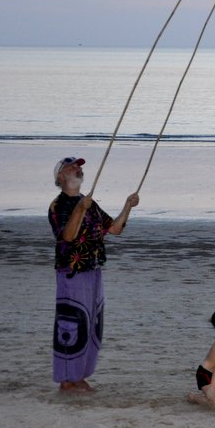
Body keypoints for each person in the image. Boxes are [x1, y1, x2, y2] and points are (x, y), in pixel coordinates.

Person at [48, 156, 139, 392]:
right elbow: (67, 235)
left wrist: (128, 205)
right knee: (72, 322)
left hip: (94, 268)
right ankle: (67, 379)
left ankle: (79, 375)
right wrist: (80, 209)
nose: (78, 169)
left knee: (92, 323)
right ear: (60, 177)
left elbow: (115, 229)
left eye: (79, 167)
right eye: (72, 166)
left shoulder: (90, 203)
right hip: (72, 271)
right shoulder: (58, 205)